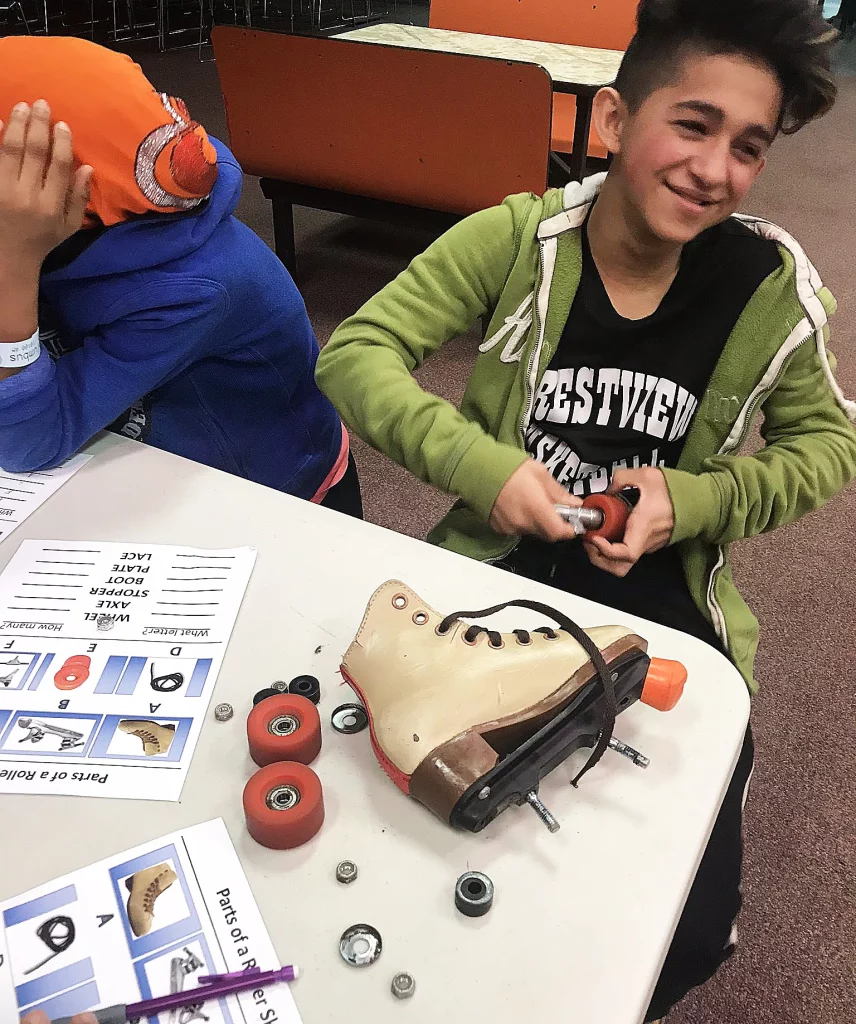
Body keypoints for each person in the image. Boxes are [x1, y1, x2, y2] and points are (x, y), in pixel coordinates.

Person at [316, 0, 856, 1017]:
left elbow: (830, 444)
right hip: (500, 565)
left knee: (686, 929)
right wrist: (488, 470)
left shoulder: (769, 284)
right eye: (691, 126)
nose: (714, 170)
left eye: (748, 147)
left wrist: (689, 500)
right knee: (407, 835)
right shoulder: (517, 238)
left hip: (664, 604)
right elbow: (353, 355)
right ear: (611, 121)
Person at [0, 36, 362, 519]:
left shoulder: (197, 286)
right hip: (134, 460)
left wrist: (13, 266)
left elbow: (29, 440)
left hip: (267, 498)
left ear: (58, 186)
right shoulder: (96, 213)